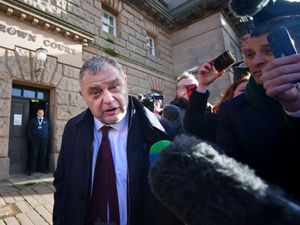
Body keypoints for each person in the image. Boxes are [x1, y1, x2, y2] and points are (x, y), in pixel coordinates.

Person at [53, 55, 182, 225]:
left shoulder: (164, 132)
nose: (108, 99)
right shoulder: (72, 128)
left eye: (114, 87)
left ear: (125, 83)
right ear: (82, 95)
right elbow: (62, 182)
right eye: (95, 92)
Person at [217, 0, 300, 201]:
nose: (256, 61)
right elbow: (233, 185)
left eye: (269, 49)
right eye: (250, 54)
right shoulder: (232, 111)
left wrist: (295, 108)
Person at [184, 59, 250, 143]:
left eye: (254, 90)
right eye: (243, 90)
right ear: (232, 93)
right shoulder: (221, 120)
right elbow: (192, 123)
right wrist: (202, 85)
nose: (249, 94)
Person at [27, 108, 51, 175]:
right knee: (34, 155)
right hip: (35, 141)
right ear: (37, 113)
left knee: (43, 155)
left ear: (43, 113)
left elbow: (50, 131)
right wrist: (31, 138)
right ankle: (31, 170)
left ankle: (43, 169)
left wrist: (47, 138)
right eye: (39, 113)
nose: (40, 114)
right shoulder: (33, 121)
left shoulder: (46, 121)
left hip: (44, 141)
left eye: (42, 113)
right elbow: (28, 130)